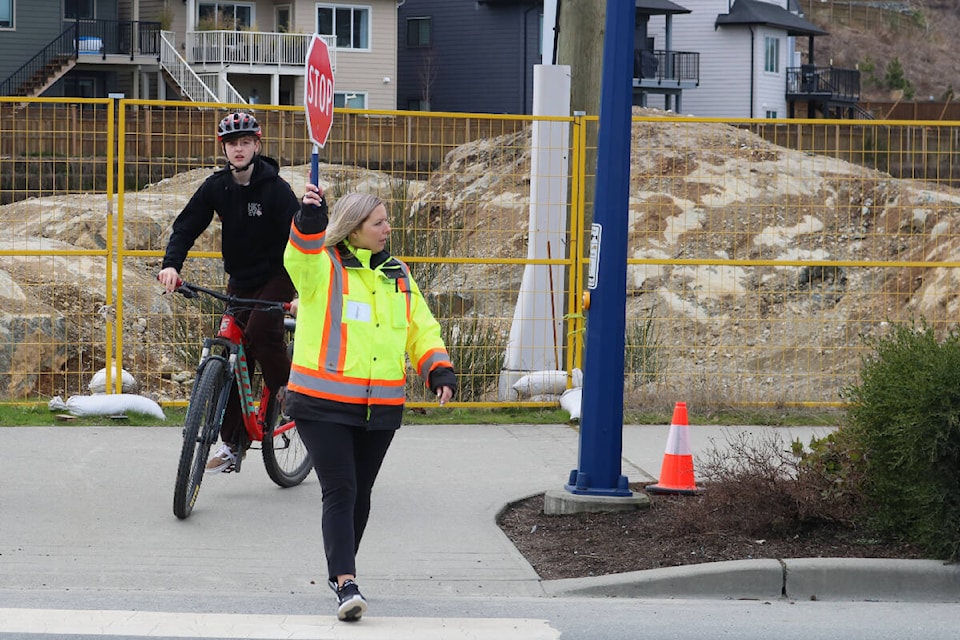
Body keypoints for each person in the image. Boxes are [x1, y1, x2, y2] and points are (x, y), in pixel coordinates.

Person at [283, 184, 456, 622]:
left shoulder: (398, 273)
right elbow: (298, 258)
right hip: (322, 403)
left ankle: (342, 572)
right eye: (378, 222)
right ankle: (345, 582)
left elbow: (421, 327)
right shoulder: (323, 267)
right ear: (354, 229)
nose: (387, 228)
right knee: (340, 490)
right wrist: (308, 220)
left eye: (386, 221)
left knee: (360, 496)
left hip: (380, 407)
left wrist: (437, 369)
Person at [158, 112, 299, 473]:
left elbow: (302, 241)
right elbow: (186, 227)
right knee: (234, 349)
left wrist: (305, 292)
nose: (239, 148)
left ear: (257, 145)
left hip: (280, 275)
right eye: (232, 143)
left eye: (245, 142)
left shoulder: (276, 188)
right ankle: (232, 445)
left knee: (260, 332)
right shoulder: (217, 187)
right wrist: (172, 265)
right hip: (240, 279)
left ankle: (288, 391)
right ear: (224, 148)